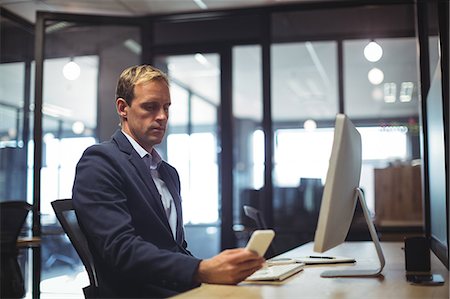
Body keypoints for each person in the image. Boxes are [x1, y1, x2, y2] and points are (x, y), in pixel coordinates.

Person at [72, 64, 264, 298]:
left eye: (166, 107)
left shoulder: (168, 173)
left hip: (176, 290)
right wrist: (201, 270)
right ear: (123, 108)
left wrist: (218, 270)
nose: (162, 117)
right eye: (150, 107)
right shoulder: (100, 161)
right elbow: (121, 249)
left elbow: (175, 248)